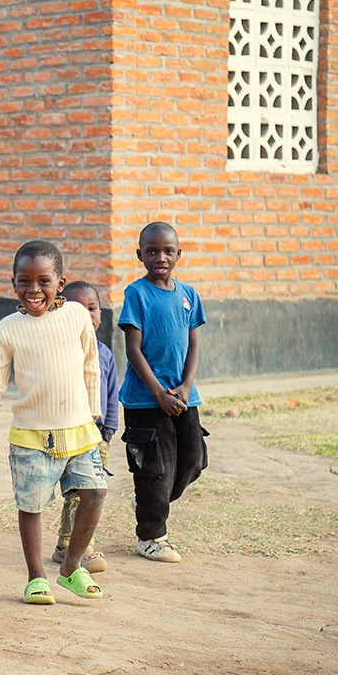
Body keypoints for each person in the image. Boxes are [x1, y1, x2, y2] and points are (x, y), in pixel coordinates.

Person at [0, 240, 106, 605]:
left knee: (95, 494)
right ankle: (36, 577)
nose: (34, 290)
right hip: (31, 434)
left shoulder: (78, 316)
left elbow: (91, 365)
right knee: (32, 506)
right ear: (12, 283)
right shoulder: (8, 328)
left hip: (78, 426)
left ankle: (71, 567)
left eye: (44, 281)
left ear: (61, 283)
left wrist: (95, 411)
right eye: (24, 281)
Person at [119, 222, 207, 563]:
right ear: (139, 254)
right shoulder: (136, 294)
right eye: (152, 251)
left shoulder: (188, 294)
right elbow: (134, 351)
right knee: (155, 469)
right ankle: (151, 536)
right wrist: (159, 394)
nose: (160, 257)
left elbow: (194, 345)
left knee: (194, 460)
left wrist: (185, 387)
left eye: (168, 251)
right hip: (146, 399)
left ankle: (149, 502)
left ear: (178, 254)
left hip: (185, 396)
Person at [51, 280, 118, 572]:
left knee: (88, 493)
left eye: (93, 309)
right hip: (68, 432)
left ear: (101, 315)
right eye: (78, 309)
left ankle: (65, 544)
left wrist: (108, 431)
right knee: (77, 492)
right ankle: (82, 550)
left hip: (96, 435)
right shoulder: (59, 351)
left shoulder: (105, 353)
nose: (87, 315)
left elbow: (112, 394)